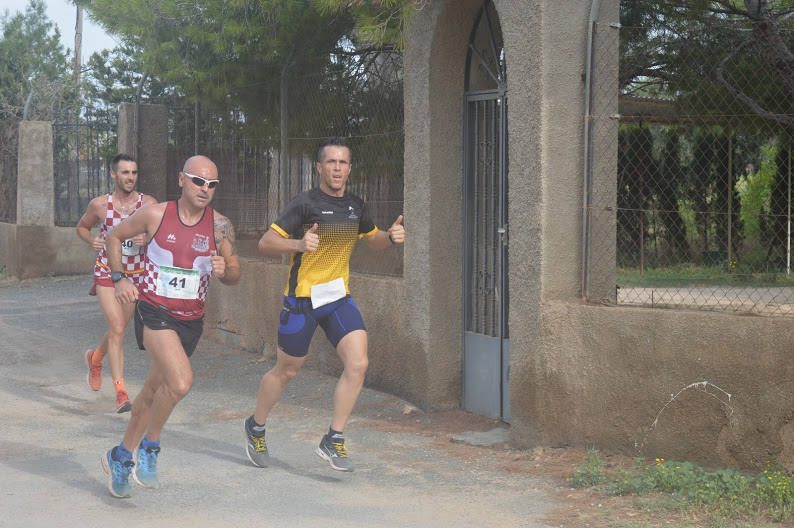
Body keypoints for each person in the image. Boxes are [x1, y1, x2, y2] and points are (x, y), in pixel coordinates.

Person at [244, 137, 405, 472]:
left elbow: (371, 239)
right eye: (331, 162)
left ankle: (334, 438)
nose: (337, 168)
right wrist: (299, 243)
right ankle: (256, 426)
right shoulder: (305, 204)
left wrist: (390, 237)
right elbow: (265, 243)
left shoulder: (355, 206)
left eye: (343, 162)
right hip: (302, 299)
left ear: (349, 168)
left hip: (337, 298)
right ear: (319, 168)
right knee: (286, 370)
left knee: (358, 364)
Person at [100, 155, 241, 498]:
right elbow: (115, 237)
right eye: (198, 181)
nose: (205, 189)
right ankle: (150, 447)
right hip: (154, 310)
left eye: (212, 184)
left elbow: (235, 275)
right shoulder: (156, 214)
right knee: (180, 383)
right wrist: (119, 279)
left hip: (191, 321)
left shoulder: (220, 226)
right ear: (181, 180)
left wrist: (226, 271)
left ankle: (120, 456)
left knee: (151, 391)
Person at [76, 154, 157, 413]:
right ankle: (121, 392)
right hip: (107, 273)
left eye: (133, 172)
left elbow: (161, 234)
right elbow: (82, 227)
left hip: (136, 275)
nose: (130, 177)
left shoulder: (149, 204)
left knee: (119, 327)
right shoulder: (100, 205)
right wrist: (93, 241)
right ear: (113, 175)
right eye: (125, 173)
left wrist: (148, 238)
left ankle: (96, 358)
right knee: (117, 328)